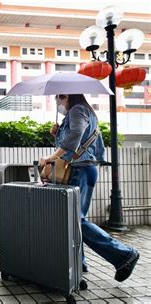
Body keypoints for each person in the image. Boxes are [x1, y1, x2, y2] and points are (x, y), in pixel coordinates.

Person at [40, 94, 139, 282]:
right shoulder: (84, 111)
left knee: (76, 220)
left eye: (58, 99)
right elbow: (78, 136)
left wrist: (53, 156)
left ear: (66, 96)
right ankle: (79, 263)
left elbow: (76, 134)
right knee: (75, 219)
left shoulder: (77, 110)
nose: (57, 103)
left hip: (81, 170)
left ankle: (124, 255)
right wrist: (58, 133)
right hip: (84, 169)